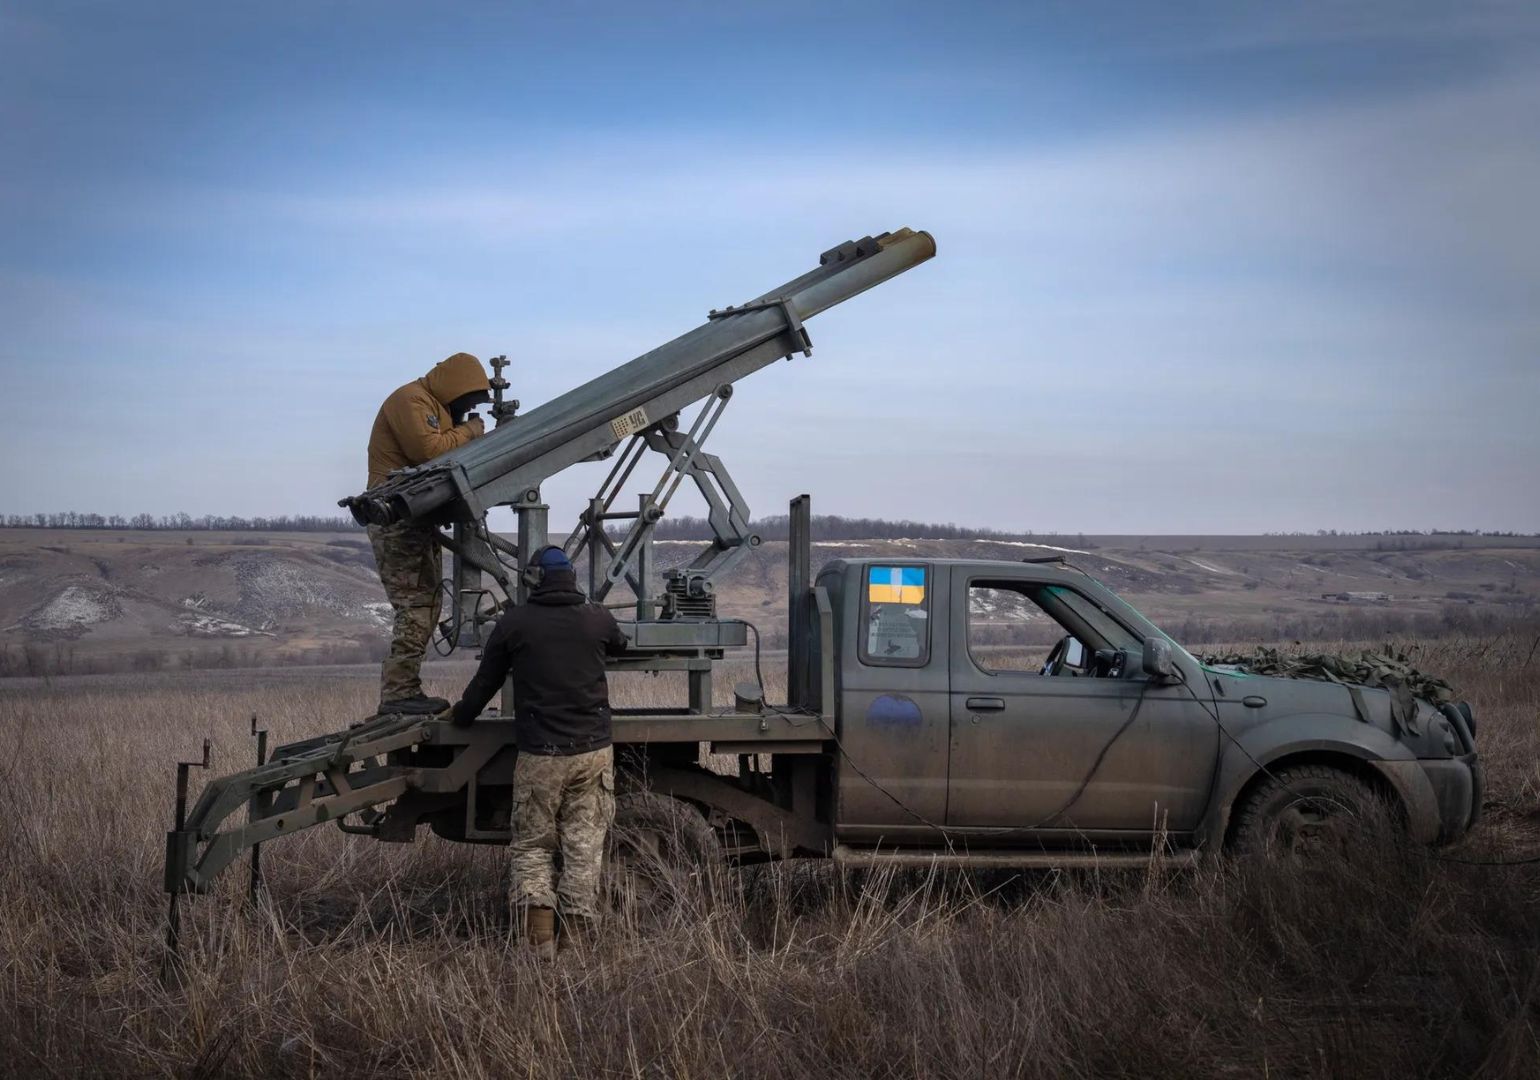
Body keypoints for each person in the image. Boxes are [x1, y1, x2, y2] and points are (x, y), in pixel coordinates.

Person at [447, 546, 629, 959]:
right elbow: (620, 645)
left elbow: (485, 682)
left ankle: (540, 944)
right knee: (584, 846)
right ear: (571, 578)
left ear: (533, 580)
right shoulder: (597, 617)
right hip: (593, 753)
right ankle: (575, 945)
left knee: (532, 847)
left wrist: (461, 717)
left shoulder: (515, 623)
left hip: (540, 756)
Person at [366, 352, 491, 715]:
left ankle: (404, 690)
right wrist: (470, 431)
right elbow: (428, 452)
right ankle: (398, 694)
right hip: (394, 518)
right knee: (416, 605)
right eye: (465, 400)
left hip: (412, 520)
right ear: (454, 387)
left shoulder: (429, 403)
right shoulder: (411, 399)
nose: (465, 409)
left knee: (428, 603)